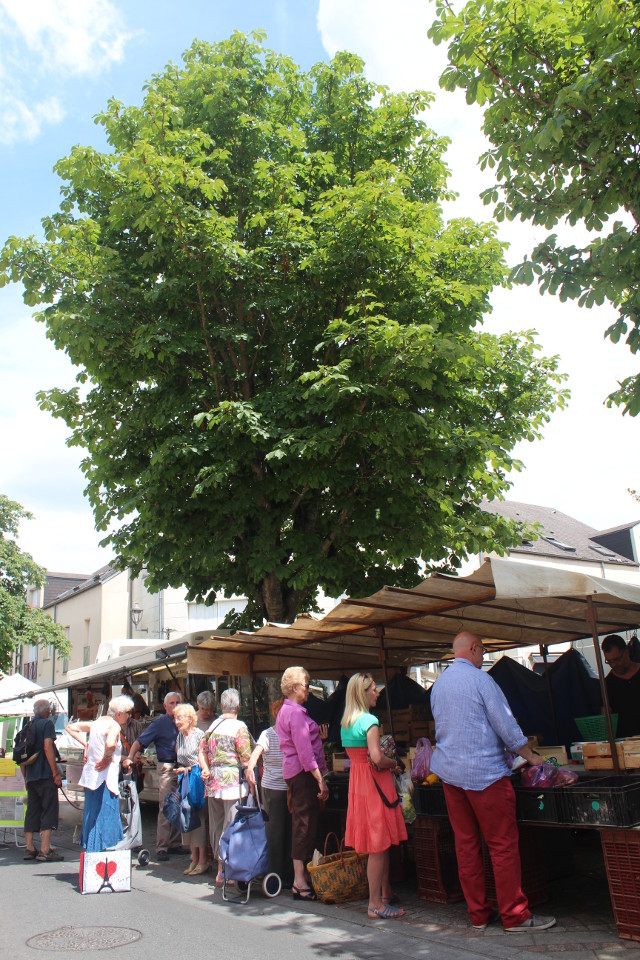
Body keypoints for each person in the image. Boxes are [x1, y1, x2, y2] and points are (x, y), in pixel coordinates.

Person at [430, 631, 556, 933]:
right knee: (502, 846)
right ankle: (514, 915)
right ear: (473, 649)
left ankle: (478, 915)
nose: (482, 657)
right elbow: (506, 726)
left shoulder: (438, 685)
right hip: (484, 774)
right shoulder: (481, 680)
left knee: (466, 845)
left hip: (450, 775)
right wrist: (530, 754)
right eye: (482, 651)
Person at [340, 673, 407, 920]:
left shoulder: (346, 723)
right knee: (379, 845)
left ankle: (385, 894)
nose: (377, 693)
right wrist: (394, 764)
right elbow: (377, 758)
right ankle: (375, 903)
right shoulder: (370, 721)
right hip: (375, 784)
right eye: (373, 690)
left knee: (378, 843)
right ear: (362, 693)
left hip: (359, 785)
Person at [276, 666, 329, 901]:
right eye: (306, 686)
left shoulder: (288, 711)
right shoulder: (295, 714)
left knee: (303, 822)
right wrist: (320, 780)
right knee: (303, 824)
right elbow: (305, 753)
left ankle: (303, 877)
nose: (308, 690)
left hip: (296, 772)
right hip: (302, 773)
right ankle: (299, 879)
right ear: (296, 687)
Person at [199, 687, 253, 886]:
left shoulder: (212, 726)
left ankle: (221, 867)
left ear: (221, 706)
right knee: (231, 824)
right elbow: (245, 758)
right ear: (239, 706)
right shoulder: (239, 727)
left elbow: (201, 751)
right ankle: (226, 868)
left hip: (213, 781)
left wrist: (206, 767)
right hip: (232, 782)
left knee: (216, 825)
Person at [65, 695, 134, 851]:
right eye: (128, 713)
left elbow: (70, 727)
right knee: (104, 815)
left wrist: (86, 744)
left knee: (92, 815)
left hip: (91, 778)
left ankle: (92, 852)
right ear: (119, 714)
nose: (129, 716)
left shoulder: (96, 723)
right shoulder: (114, 726)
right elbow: (110, 745)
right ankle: (101, 855)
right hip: (105, 779)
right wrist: (106, 758)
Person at [125, 691, 182, 861]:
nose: (175, 705)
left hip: (183, 768)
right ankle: (162, 846)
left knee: (179, 805)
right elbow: (140, 741)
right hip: (167, 766)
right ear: (165, 706)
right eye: (171, 703)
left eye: (178, 702)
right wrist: (130, 757)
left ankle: (174, 843)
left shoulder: (184, 721)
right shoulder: (159, 723)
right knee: (166, 805)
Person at [246, 698, 294, 888]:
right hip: (273, 789)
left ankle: (287, 873)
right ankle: (275, 874)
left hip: (290, 789)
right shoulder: (268, 734)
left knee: (288, 831)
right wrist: (250, 768)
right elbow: (256, 752)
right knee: (275, 832)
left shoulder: (292, 734)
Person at [23, 699, 64, 862]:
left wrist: (26, 777)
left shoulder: (28, 726)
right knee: (49, 809)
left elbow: (21, 756)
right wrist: (56, 773)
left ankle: (29, 848)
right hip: (45, 775)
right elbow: (48, 748)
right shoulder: (46, 725)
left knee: (32, 811)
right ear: (47, 711)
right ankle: (45, 850)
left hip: (31, 776)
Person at [173, 703, 208, 875]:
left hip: (195, 780)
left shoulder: (199, 735)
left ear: (189, 718)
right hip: (184, 779)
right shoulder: (179, 736)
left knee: (198, 818)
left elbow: (200, 761)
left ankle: (202, 860)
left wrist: (186, 770)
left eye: (180, 718)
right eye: (175, 718)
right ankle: (193, 858)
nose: (177, 721)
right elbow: (179, 757)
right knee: (186, 816)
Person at [602, 634, 640, 737]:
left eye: (617, 659)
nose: (613, 664)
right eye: (609, 661)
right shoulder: (607, 684)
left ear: (626, 652)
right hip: (625, 744)